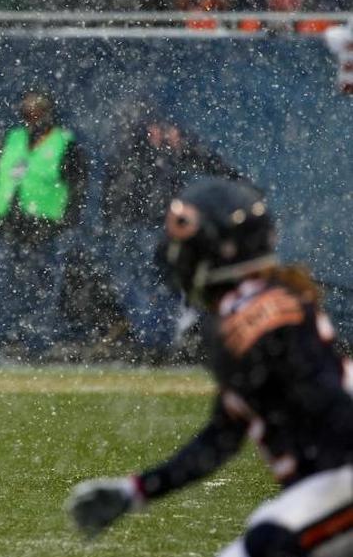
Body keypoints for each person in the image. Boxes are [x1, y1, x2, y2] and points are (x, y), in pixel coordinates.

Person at [66, 178, 353, 555]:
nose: (176, 254)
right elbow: (222, 435)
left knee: (269, 537)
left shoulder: (251, 318)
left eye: (185, 244)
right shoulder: (255, 307)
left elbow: (324, 399)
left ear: (217, 250)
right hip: (333, 481)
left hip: (340, 478)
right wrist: (138, 490)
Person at [101, 110, 242, 359]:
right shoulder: (142, 154)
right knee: (148, 285)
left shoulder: (159, 155)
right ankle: (156, 341)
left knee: (158, 285)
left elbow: (208, 164)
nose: (158, 134)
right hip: (140, 227)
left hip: (149, 227)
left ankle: (159, 341)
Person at [0, 88, 86, 356]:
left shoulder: (64, 143)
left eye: (37, 113)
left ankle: (35, 345)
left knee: (41, 289)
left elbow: (77, 187)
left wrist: (63, 223)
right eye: (27, 114)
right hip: (8, 226)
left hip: (44, 229)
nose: (32, 120)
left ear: (49, 115)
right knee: (3, 287)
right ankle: (3, 341)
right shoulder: (13, 138)